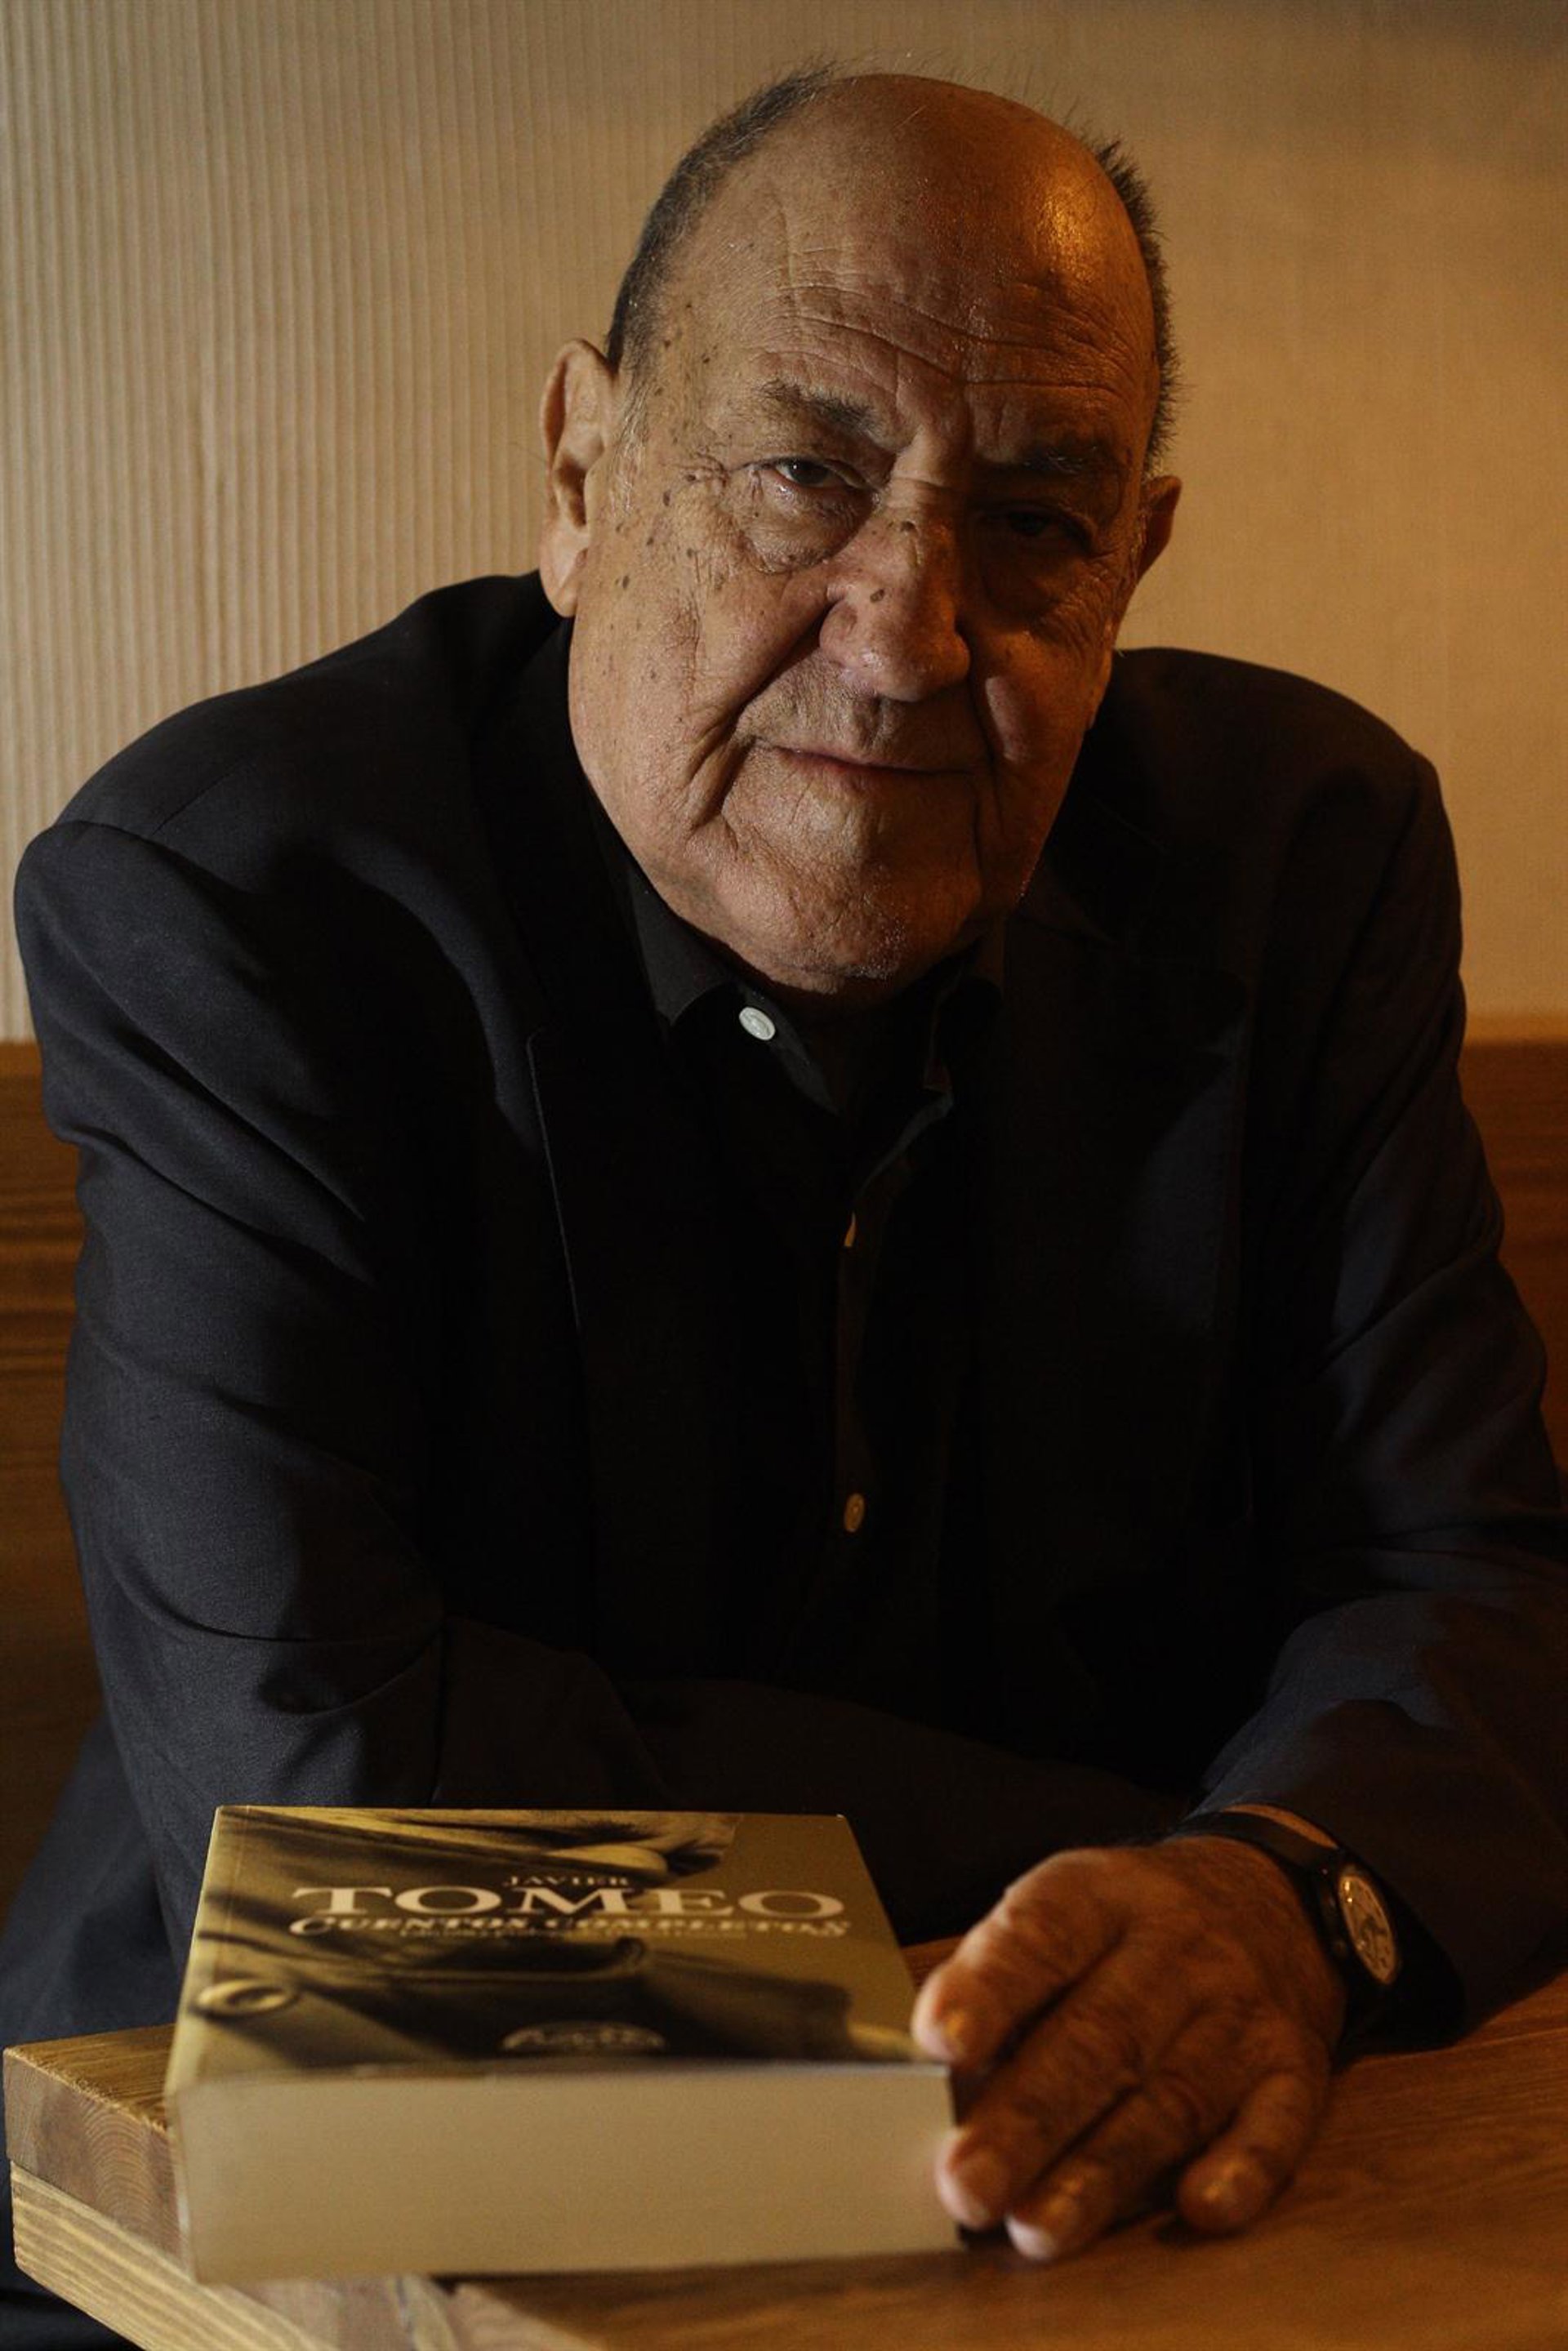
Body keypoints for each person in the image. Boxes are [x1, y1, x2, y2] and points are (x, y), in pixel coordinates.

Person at [4, 65, 1565, 2339]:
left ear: (1135, 559)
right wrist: (1185, 1848)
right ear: (581, 474)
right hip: (294, 2210)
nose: (911, 627)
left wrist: (1265, 1899)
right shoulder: (247, 900)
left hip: (1077, 2191)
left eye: (1035, 519)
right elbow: (327, 1801)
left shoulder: (1300, 861)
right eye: (807, 473)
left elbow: (1477, 1590)